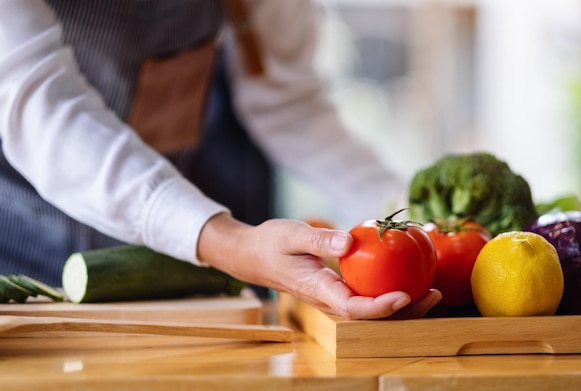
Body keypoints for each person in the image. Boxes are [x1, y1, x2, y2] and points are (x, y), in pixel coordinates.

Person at [0, 0, 441, 319]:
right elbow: (40, 104)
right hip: (17, 245)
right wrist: (231, 243)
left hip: (160, 261)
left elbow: (287, 103)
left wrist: (420, 221)